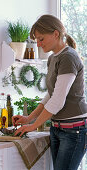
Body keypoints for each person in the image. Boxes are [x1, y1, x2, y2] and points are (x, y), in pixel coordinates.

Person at [12, 14, 87, 170]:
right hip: (57, 129)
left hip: (74, 131)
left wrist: (33, 126)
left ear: (55, 34)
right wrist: (29, 118)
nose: (38, 44)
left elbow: (57, 101)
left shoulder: (68, 57)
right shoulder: (53, 58)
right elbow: (51, 95)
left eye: (41, 39)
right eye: (36, 40)